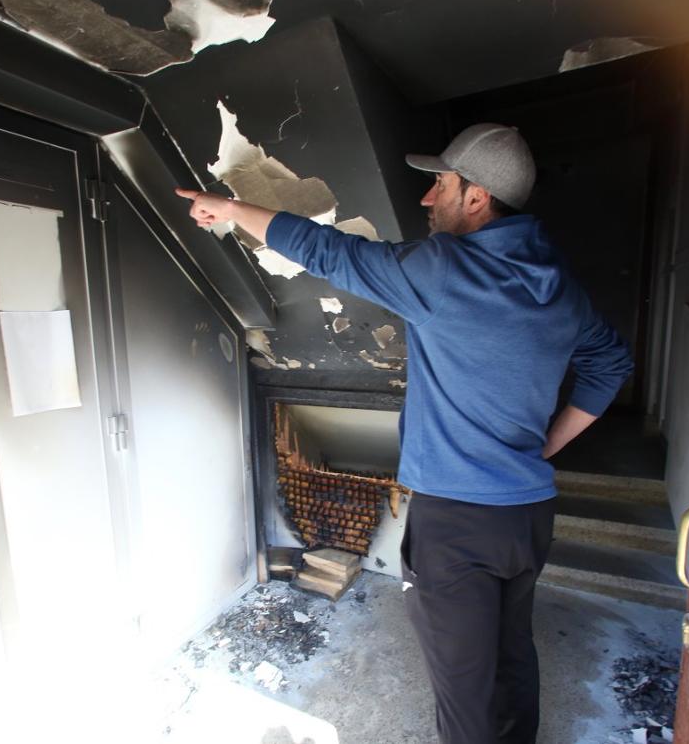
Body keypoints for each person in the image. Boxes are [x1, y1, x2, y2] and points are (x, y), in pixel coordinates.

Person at [176, 123, 633, 744]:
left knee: (462, 687)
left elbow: (328, 251)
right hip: (528, 515)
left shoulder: (442, 270)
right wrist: (545, 447)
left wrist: (230, 208)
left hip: (458, 524)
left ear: (476, 197)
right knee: (511, 654)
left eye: (439, 184)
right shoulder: (560, 286)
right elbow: (610, 362)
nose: (426, 199)